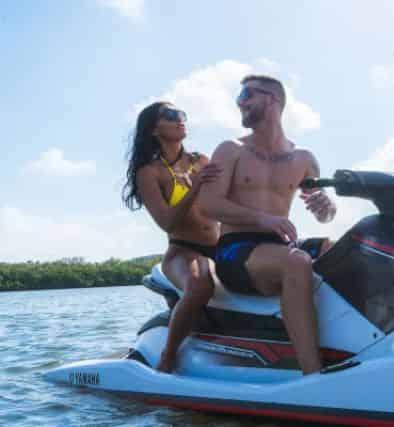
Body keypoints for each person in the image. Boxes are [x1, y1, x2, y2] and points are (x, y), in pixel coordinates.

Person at [200, 75, 336, 374]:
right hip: (236, 251)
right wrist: (262, 218)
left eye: (247, 94)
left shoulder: (303, 158)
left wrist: (327, 207)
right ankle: (312, 374)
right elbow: (208, 204)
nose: (240, 102)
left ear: (273, 99)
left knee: (344, 249)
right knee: (296, 262)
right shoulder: (230, 149)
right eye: (239, 97)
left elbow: (323, 213)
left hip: (280, 248)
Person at [122, 102, 222, 373]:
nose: (180, 119)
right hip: (183, 251)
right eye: (170, 116)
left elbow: (226, 200)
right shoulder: (150, 172)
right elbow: (166, 221)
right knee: (201, 286)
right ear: (154, 129)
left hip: (221, 246)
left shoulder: (201, 161)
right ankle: (168, 357)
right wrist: (195, 188)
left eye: (182, 114)